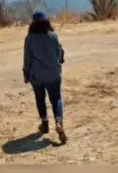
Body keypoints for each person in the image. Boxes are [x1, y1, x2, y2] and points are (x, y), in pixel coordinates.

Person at [22, 11, 67, 143]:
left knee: (40, 98)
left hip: (37, 75)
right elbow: (59, 54)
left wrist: (26, 73)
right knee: (56, 98)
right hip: (53, 73)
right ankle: (59, 122)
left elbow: (27, 59)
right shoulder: (53, 36)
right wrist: (59, 62)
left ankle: (45, 124)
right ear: (46, 21)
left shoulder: (29, 38)